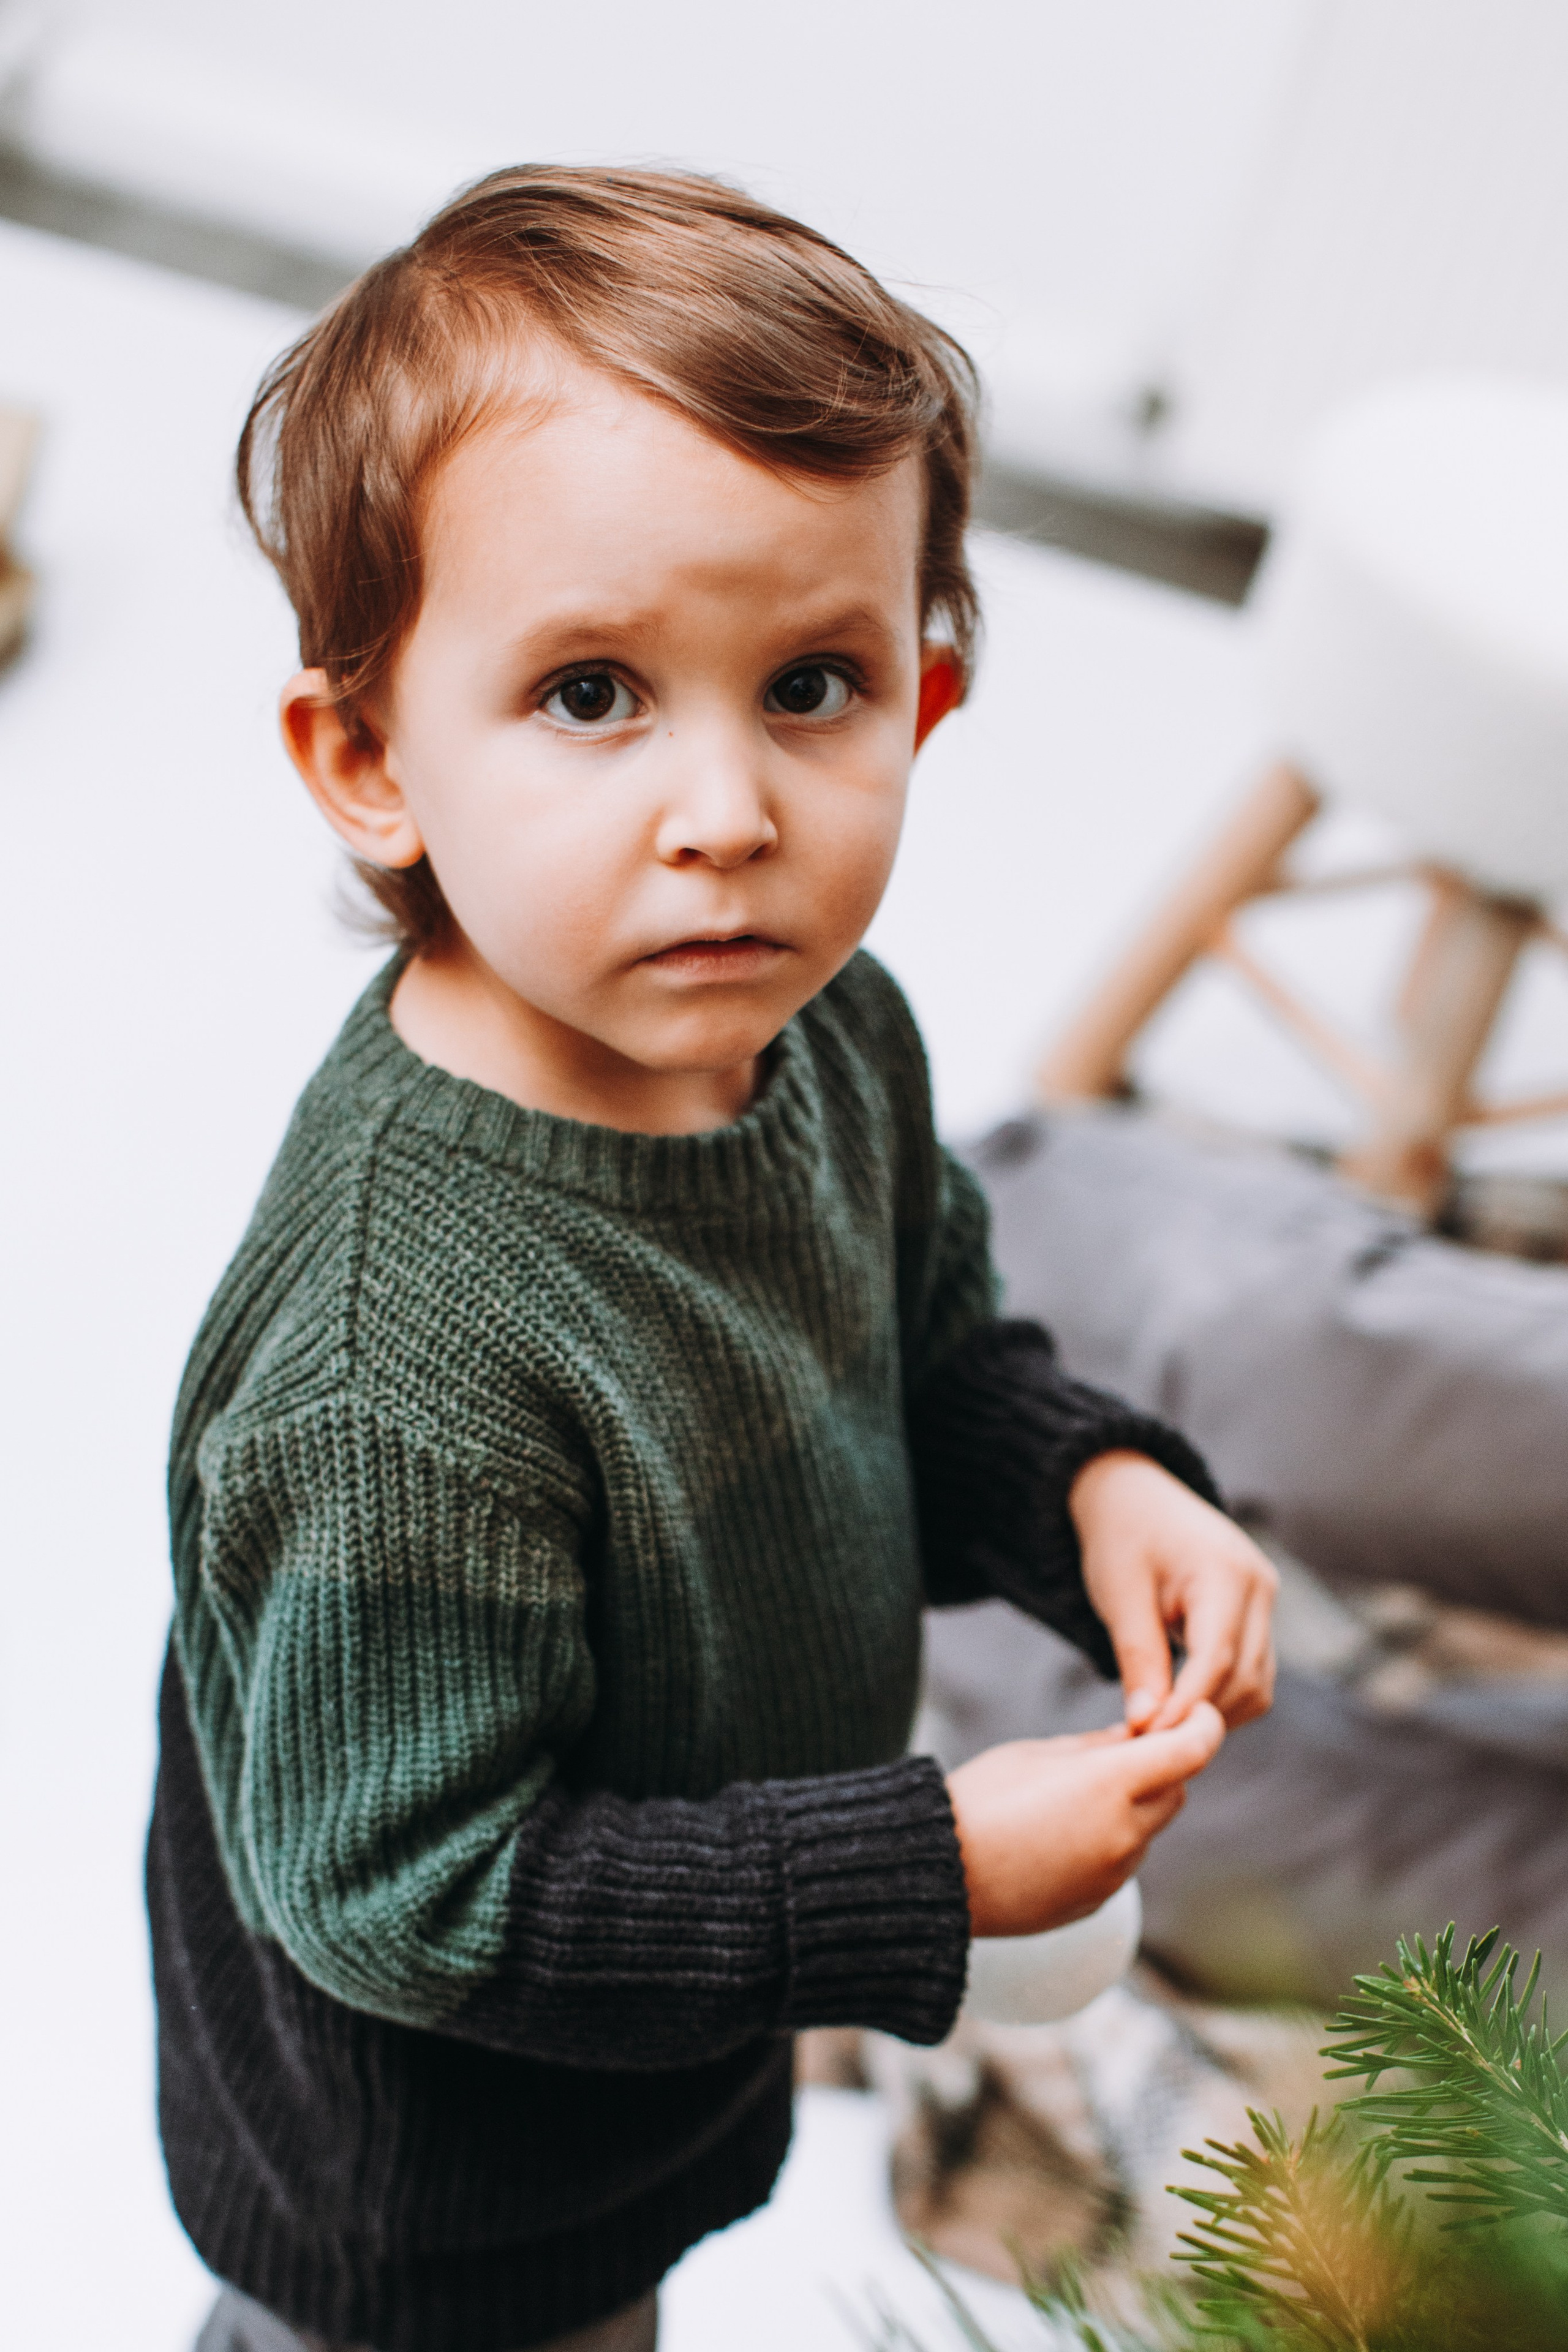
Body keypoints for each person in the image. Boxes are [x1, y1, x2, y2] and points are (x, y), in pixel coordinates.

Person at [149, 166, 1276, 2352]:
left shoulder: (818, 1032)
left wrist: (1081, 1484)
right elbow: (404, 1891)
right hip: (434, 2206)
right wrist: (922, 1879)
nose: (728, 811)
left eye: (811, 683)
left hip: (662, 2051)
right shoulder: (400, 1361)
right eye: (591, 693)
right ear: (366, 758)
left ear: (924, 703)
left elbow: (920, 1330)